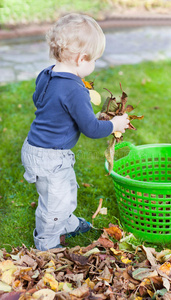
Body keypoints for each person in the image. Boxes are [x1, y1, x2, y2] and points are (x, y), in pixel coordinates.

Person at [21, 13, 129, 251]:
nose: (94, 66)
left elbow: (39, 100)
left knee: (66, 189)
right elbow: (91, 129)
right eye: (94, 61)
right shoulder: (75, 89)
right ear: (81, 58)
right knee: (53, 203)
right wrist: (114, 124)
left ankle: (66, 223)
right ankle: (46, 243)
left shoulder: (47, 73)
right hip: (50, 156)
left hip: (37, 147)